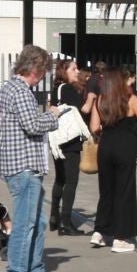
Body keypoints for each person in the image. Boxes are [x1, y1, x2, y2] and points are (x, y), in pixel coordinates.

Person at [0, 45, 61, 272]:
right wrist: (53, 116)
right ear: (36, 68)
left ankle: (34, 270)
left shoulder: (9, 88)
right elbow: (32, 125)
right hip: (24, 167)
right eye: (43, 70)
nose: (44, 75)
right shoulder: (20, 91)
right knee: (26, 223)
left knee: (38, 221)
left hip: (19, 165)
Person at [88, 68, 137, 253]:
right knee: (124, 191)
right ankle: (120, 237)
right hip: (124, 146)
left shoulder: (100, 99)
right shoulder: (130, 100)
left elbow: (94, 127)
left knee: (106, 190)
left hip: (106, 146)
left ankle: (100, 231)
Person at [50, 60, 93, 234]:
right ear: (64, 71)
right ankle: (66, 223)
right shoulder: (68, 89)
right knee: (71, 181)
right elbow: (85, 109)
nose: (77, 72)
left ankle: (55, 215)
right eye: (73, 69)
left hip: (58, 139)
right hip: (70, 139)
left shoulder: (56, 90)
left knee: (60, 178)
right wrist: (91, 96)